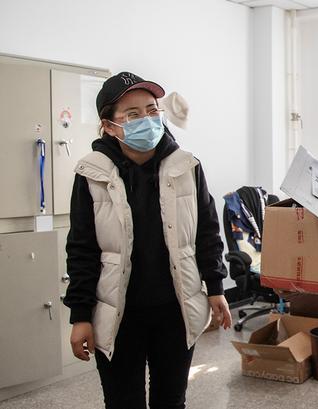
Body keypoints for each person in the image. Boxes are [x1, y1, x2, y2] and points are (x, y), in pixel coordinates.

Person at [63, 71, 231, 409]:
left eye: (153, 110)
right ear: (109, 126)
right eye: (133, 114)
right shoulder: (91, 173)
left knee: (171, 400)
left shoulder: (186, 166)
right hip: (117, 313)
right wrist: (80, 315)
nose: (148, 120)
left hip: (175, 309)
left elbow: (207, 232)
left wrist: (215, 287)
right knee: (123, 402)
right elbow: (82, 248)